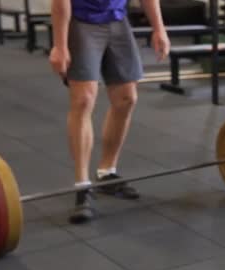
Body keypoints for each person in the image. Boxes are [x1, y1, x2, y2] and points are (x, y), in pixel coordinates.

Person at [49, 0, 170, 223]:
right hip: (81, 21)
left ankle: (106, 172)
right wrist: (60, 44)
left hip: (117, 20)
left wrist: (159, 28)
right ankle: (82, 186)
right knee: (83, 100)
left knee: (126, 98)